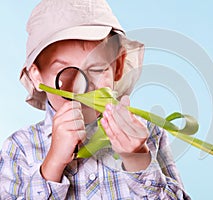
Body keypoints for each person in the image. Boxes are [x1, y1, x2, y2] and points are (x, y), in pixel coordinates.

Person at [0, 0, 190, 199]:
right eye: (64, 73)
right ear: (37, 76)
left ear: (118, 66)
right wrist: (53, 164)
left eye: (97, 69)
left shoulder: (149, 134)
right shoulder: (19, 147)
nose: (81, 87)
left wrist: (138, 159)